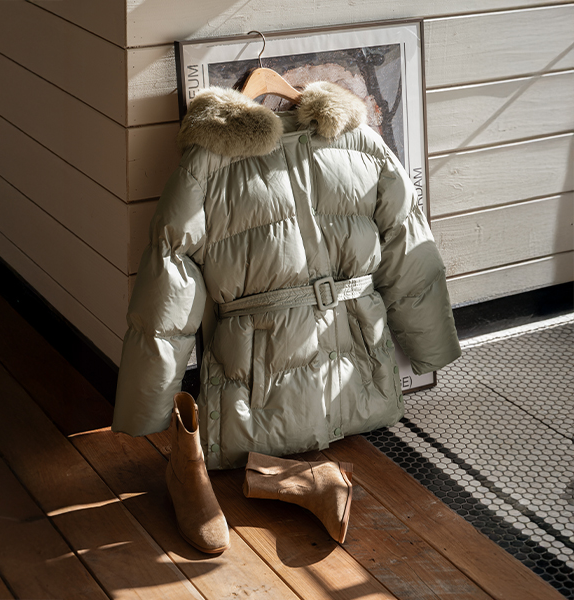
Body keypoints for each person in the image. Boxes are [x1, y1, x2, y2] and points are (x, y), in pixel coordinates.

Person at [112, 81, 462, 553]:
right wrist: (149, 406)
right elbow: (170, 279)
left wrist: (431, 348)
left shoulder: (361, 143)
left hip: (359, 366)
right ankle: (233, 471)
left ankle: (298, 477)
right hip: (257, 379)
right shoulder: (209, 161)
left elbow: (408, 247)